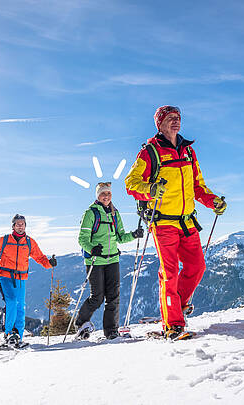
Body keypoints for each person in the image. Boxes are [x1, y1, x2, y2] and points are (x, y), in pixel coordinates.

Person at [124, 105, 227, 339]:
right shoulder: (150, 152)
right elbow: (131, 184)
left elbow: (197, 186)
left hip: (187, 221)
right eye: (170, 118)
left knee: (197, 267)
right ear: (159, 124)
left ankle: (178, 305)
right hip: (163, 223)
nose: (175, 122)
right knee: (169, 273)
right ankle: (173, 325)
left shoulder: (188, 152)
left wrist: (213, 202)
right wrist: (150, 189)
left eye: (178, 118)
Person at [75, 182, 144, 340]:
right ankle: (80, 323)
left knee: (113, 296)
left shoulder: (115, 213)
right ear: (97, 196)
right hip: (96, 260)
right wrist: (92, 249)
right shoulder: (91, 213)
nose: (106, 196)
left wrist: (134, 235)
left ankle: (111, 331)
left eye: (108, 194)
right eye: (102, 194)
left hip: (113, 258)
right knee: (97, 297)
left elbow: (120, 237)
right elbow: (82, 238)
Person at [0, 214, 57, 347]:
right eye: (17, 224)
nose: (20, 226)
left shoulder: (29, 242)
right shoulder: (4, 240)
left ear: (25, 225)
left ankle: (18, 335)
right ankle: (8, 334)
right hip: (4, 276)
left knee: (20, 306)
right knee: (11, 301)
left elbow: (40, 258)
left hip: (21, 277)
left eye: (22, 223)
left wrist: (50, 263)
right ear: (13, 226)